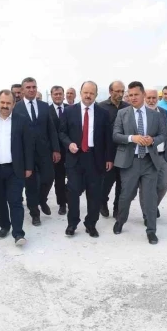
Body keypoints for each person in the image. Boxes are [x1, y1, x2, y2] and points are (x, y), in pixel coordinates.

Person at [112, 81, 167, 245]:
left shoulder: (155, 115)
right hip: (130, 162)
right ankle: (120, 221)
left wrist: (153, 140)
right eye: (130, 95)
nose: (133, 97)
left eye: (136, 94)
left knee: (150, 197)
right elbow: (115, 135)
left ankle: (151, 230)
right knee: (126, 195)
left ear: (143, 95)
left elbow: (163, 135)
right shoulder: (122, 114)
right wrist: (132, 138)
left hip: (150, 161)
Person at [0, 90, 34, 246]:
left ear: (14, 104)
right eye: (2, 102)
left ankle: (18, 233)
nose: (5, 106)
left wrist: (29, 167)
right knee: (0, 201)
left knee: (15, 201)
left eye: (8, 103)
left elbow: (28, 146)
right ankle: (4, 226)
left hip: (15, 169)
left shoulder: (22, 120)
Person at [58, 81, 113, 237]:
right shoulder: (69, 111)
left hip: (95, 159)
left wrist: (109, 158)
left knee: (94, 194)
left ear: (96, 95)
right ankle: (72, 223)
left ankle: (91, 224)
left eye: (91, 93)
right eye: (86, 92)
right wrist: (69, 144)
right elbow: (61, 133)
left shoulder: (103, 113)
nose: (88, 95)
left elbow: (108, 138)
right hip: (75, 158)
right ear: (81, 93)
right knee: (73, 193)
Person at [12, 77, 61, 225]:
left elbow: (51, 129)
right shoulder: (16, 108)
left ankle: (42, 200)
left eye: (34, 87)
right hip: (26, 154)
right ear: (22, 90)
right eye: (28, 87)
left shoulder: (44, 106)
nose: (31, 89)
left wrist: (56, 149)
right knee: (31, 184)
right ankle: (35, 213)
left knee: (49, 177)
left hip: (44, 151)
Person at [140, 89, 167, 218]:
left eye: (154, 98)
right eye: (148, 98)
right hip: (146, 156)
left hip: (161, 156)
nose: (151, 100)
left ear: (158, 98)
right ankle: (147, 214)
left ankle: (153, 206)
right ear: (144, 98)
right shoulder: (140, 113)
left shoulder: (163, 112)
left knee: (164, 184)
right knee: (146, 188)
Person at [98, 80, 129, 218]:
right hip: (107, 153)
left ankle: (117, 208)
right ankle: (102, 202)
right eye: (117, 91)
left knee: (121, 183)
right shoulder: (101, 107)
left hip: (123, 151)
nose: (120, 94)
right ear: (110, 91)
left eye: (122, 91)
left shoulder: (128, 107)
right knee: (106, 182)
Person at [49, 85, 68, 215]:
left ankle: (69, 197)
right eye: (55, 94)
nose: (58, 96)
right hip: (55, 151)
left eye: (60, 94)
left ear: (63, 95)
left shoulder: (71, 109)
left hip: (71, 149)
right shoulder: (46, 111)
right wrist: (53, 150)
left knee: (75, 178)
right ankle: (62, 203)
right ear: (51, 95)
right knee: (59, 179)